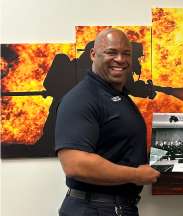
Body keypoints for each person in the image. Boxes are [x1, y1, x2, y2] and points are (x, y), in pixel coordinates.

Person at [55, 28, 160, 216]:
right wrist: (136, 175)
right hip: (95, 209)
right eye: (111, 52)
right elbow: (75, 164)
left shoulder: (117, 95)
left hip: (116, 208)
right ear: (93, 55)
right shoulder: (81, 98)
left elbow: (117, 148)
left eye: (126, 53)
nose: (120, 59)